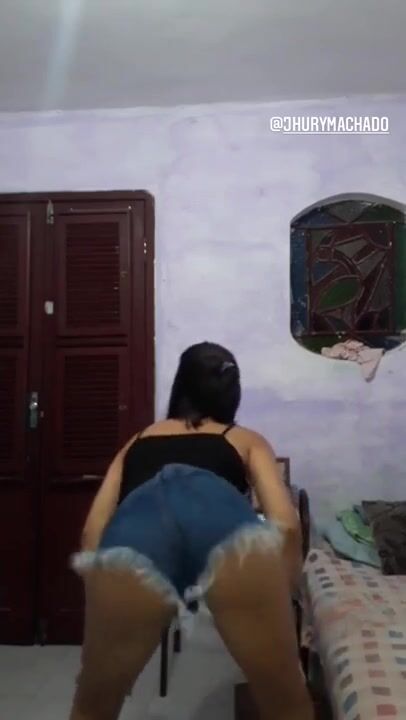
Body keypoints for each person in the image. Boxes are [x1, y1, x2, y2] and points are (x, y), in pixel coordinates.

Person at [69, 341, 314, 720]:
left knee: (93, 706)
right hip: (225, 532)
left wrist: (105, 606)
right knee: (287, 704)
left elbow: (92, 531)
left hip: (137, 537)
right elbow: (286, 524)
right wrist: (284, 595)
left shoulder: (137, 441)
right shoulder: (245, 439)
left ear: (180, 386)